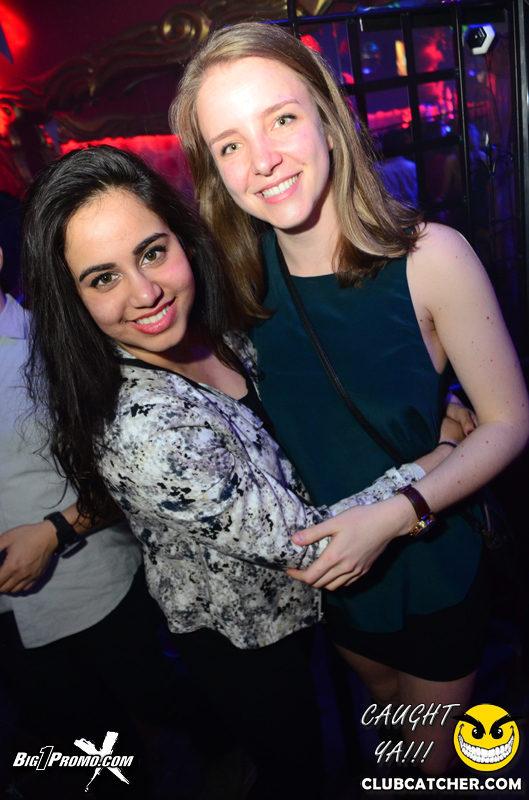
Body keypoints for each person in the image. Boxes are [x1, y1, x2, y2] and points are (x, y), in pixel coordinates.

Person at [21, 145, 467, 797]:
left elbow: (315, 393)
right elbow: (310, 546)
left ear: (180, 237)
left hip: (321, 609)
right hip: (247, 640)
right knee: (296, 774)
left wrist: (426, 399)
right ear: (71, 299)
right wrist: (441, 460)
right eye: (102, 278)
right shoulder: (142, 427)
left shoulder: (217, 324)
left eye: (152, 252)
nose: (145, 293)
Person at [171, 21, 529, 776]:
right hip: (332, 582)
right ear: (214, 170)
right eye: (229, 145)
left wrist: (399, 512)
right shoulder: (231, 283)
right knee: (384, 721)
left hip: (429, 560)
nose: (262, 160)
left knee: (428, 762)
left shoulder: (431, 258)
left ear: (328, 118)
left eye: (281, 119)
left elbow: (508, 422)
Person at [0, 244, 211, 799]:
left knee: (159, 698)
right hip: (11, 622)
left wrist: (54, 532)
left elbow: (138, 473)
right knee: (83, 736)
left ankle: (231, 753)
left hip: (94, 585)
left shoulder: (57, 345)